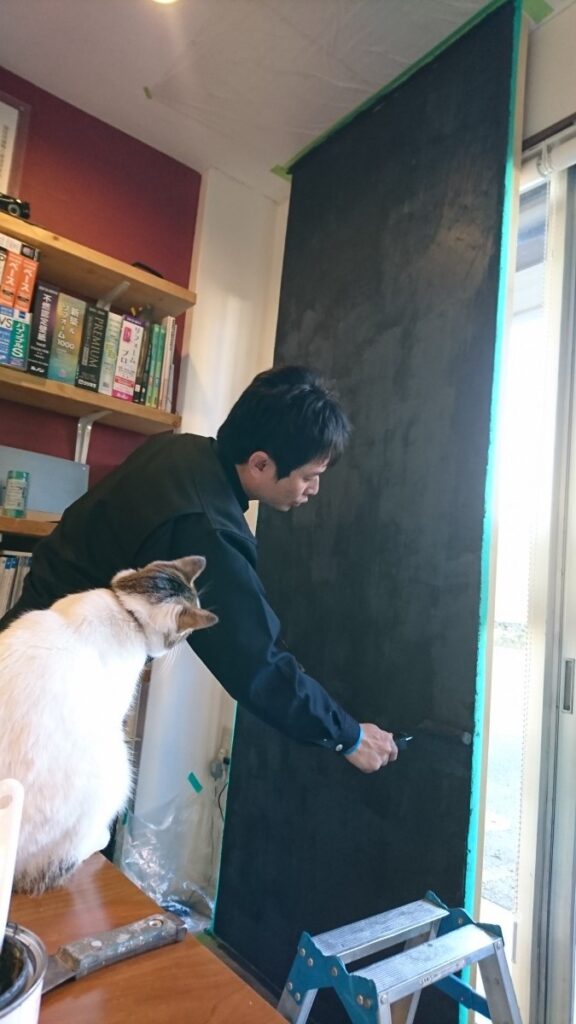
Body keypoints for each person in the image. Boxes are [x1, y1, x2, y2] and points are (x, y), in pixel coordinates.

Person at [0, 365, 397, 772]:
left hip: (25, 644)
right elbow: (256, 663)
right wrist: (348, 735)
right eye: (309, 477)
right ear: (260, 463)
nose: (313, 489)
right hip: (47, 694)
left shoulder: (178, 451)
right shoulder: (206, 528)